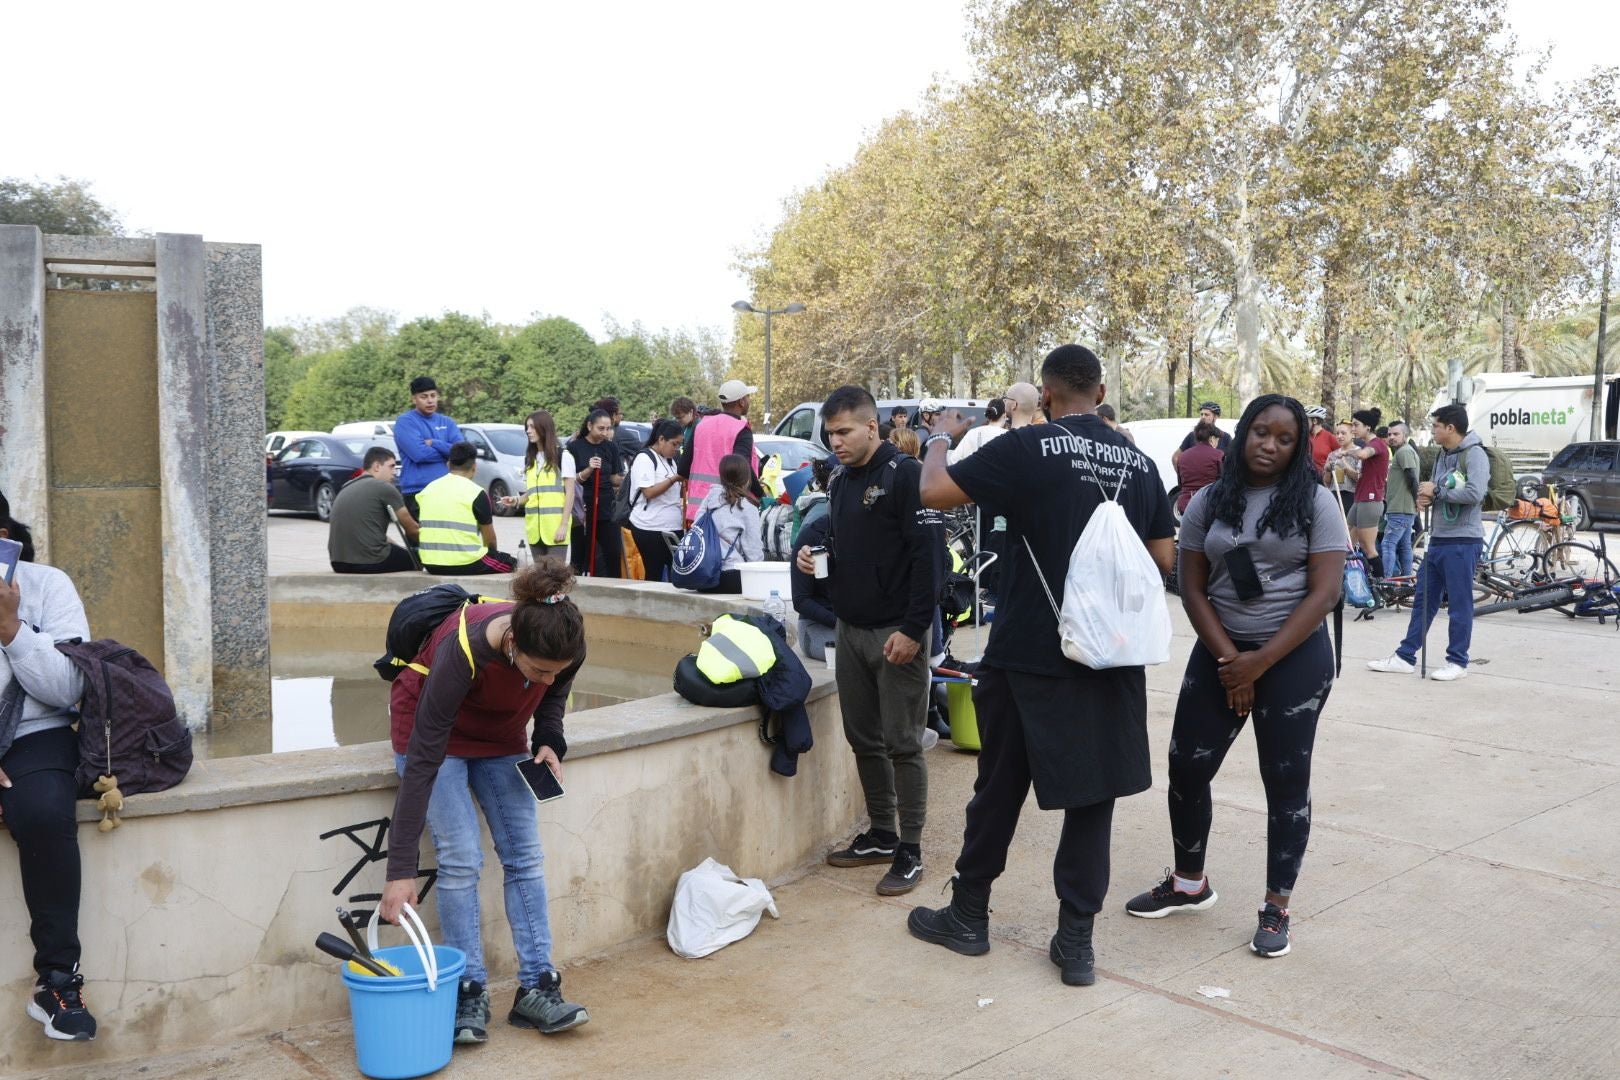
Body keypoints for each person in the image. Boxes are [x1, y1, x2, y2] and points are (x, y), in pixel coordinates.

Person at [906, 344, 1174, 987]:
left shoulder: (1029, 447)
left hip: (1028, 652)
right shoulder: (1137, 464)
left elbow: (935, 492)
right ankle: (1076, 943)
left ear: (1047, 397)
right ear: (1101, 390)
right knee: (1093, 800)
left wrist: (942, 439)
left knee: (998, 788)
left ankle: (969, 917)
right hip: (1108, 657)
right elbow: (1162, 560)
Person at [1125, 395, 1347, 960]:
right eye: (1261, 433)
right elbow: (1192, 586)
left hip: (1293, 656)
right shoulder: (1207, 503)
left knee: (1285, 782)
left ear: (1298, 447)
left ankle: (1277, 905)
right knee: (1186, 767)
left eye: (1285, 438)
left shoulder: (1316, 503)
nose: (1269, 446)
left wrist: (1260, 663)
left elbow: (1325, 592)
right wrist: (1232, 663)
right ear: (1242, 433)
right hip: (1222, 651)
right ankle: (1188, 882)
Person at [379, 559, 589, 1043]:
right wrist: (399, 870)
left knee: (525, 856)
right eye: (537, 671)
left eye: (553, 672)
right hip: (431, 732)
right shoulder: (464, 650)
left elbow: (554, 695)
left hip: (500, 736)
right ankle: (467, 988)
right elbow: (424, 763)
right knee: (461, 858)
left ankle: (538, 987)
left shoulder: (563, 640)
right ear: (513, 642)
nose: (543, 680)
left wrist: (551, 737)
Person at [794, 385, 942, 896]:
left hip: (895, 633)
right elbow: (843, 540)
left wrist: (913, 629)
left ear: (871, 426)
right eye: (829, 433)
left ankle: (911, 849)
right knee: (864, 739)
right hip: (850, 630)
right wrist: (815, 555)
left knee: (903, 743)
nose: (834, 441)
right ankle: (882, 833)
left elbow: (930, 561)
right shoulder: (838, 480)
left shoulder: (906, 476)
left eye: (843, 432)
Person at [0, 494, 98, 1043]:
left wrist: (12, 628)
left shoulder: (47, 585)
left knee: (42, 813)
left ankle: (58, 982)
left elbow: (68, 689)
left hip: (36, 734)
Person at [1368, 404, 1489, 682]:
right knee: (1424, 599)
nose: (1432, 430)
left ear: (1450, 428)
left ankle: (1457, 661)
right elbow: (1438, 491)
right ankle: (1405, 656)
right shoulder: (1442, 456)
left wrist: (1437, 492)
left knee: (1459, 603)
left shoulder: (1475, 454)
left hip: (1463, 540)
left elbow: (1475, 493)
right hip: (1439, 539)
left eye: (1436, 425)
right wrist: (1428, 496)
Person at [416, 443, 517, 575]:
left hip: (430, 563)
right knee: (514, 563)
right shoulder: (476, 492)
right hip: (465, 562)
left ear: (448, 465)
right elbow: (490, 539)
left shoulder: (426, 490)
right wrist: (493, 555)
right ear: (474, 467)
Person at [678, 380, 762, 525]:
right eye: (747, 397)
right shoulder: (740, 429)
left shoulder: (702, 425)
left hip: (697, 513)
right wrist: (761, 495)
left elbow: (683, 469)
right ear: (741, 401)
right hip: (726, 514)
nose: (749, 400)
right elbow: (741, 469)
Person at [327, 446, 420, 573]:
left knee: (400, 552)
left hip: (338, 563)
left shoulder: (346, 486)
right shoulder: (384, 488)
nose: (395, 472)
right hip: (372, 561)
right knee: (420, 558)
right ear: (377, 466)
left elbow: (370, 532)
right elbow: (412, 530)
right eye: (391, 466)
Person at [505, 410, 575, 562]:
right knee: (539, 579)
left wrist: (563, 525)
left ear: (544, 428)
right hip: (534, 530)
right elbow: (532, 494)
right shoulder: (530, 459)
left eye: (532, 427)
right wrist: (516, 500)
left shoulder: (563, 456)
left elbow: (570, 494)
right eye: (527, 427)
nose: (528, 431)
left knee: (554, 578)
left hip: (556, 529)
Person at [395, 376, 465, 526]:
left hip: (447, 491)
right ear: (414, 399)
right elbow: (419, 454)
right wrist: (448, 451)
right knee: (423, 543)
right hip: (418, 492)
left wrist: (434, 443)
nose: (430, 401)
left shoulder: (447, 422)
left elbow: (462, 452)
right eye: (424, 397)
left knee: (447, 541)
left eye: (433, 396)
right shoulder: (405, 422)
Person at [628, 419, 686, 584]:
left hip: (672, 525)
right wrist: (674, 479)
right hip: (650, 527)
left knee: (678, 574)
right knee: (654, 573)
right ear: (661, 439)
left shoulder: (671, 460)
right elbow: (649, 492)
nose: (676, 449)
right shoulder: (645, 458)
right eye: (674, 444)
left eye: (679, 445)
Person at [568, 409, 624, 578]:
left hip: (606, 507)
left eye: (608, 429)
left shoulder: (611, 447)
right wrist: (589, 469)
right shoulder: (574, 447)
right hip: (583, 507)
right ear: (590, 425)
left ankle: (613, 589)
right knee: (580, 554)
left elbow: (615, 477)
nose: (605, 433)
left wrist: (628, 480)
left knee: (613, 552)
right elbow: (572, 480)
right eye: (601, 428)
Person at [696, 454, 764, 594]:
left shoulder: (709, 500)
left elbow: (697, 528)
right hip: (730, 577)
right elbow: (754, 552)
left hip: (701, 576)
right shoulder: (746, 507)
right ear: (746, 480)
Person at [1345, 408, 1389, 573]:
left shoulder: (1377, 444)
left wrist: (1346, 451)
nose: (1353, 429)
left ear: (1368, 427)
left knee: (1368, 548)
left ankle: (1380, 584)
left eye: (1356, 425)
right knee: (1347, 542)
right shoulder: (1371, 444)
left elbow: (1364, 454)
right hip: (1360, 500)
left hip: (1371, 501)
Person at [1380, 421, 1421, 579]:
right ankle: (1407, 580)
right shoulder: (1406, 451)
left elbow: (1411, 476)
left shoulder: (1404, 452)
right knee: (1404, 546)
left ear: (1405, 435)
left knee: (1388, 544)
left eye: (1396, 434)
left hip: (1400, 509)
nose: (1391, 437)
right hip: (1404, 509)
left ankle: (1386, 581)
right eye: (1389, 434)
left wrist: (1417, 499)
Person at [1175, 420, 1225, 515]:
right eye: (1217, 440)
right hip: (1208, 505)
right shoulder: (1218, 455)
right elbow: (1224, 482)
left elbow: (1181, 484)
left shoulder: (1182, 456)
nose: (1217, 444)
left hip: (1186, 506)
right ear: (1212, 439)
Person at [1172, 402, 1231, 470]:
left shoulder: (1225, 437)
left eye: (1206, 415)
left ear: (1215, 417)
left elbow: (1233, 461)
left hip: (1218, 479)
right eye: (1201, 414)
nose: (1203, 417)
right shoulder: (1192, 436)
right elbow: (1175, 458)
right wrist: (1183, 478)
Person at [949, 398, 1008, 463]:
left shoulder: (972, 433)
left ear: (988, 415)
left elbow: (953, 460)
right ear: (1004, 415)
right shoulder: (1008, 436)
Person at [1322, 421, 1360, 515]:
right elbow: (1327, 482)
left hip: (1352, 496)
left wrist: (1344, 463)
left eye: (1343, 433)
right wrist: (1327, 470)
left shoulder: (1359, 453)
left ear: (1353, 435)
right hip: (1334, 495)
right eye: (1337, 433)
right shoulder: (1332, 454)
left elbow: (1359, 478)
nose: (1339, 436)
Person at [1306, 405, 1336, 474]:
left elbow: (1341, 454)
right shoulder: (1304, 436)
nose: (1304, 423)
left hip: (1322, 481)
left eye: (1306, 420)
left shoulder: (1330, 437)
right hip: (1305, 479)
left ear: (1314, 421)